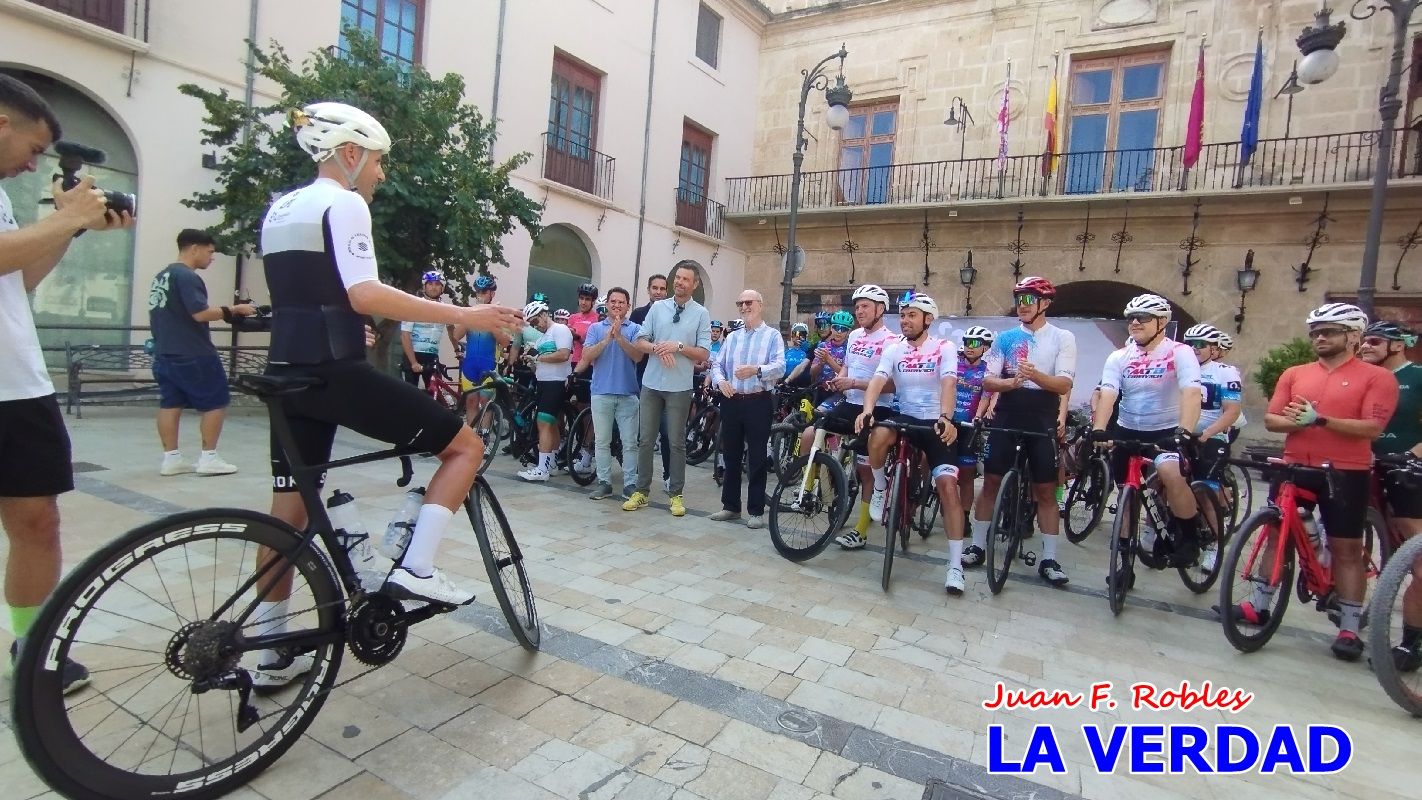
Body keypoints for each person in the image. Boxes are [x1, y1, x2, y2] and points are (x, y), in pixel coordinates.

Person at [252, 102, 524, 689]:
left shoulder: (280, 209)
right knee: (466, 448)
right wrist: (465, 314)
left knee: (287, 514)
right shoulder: (344, 202)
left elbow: (311, 296)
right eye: (378, 161)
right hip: (333, 374)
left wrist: (351, 324)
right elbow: (363, 291)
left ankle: (271, 647)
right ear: (351, 153)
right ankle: (418, 568)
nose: (380, 174)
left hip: (287, 370)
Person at [0, 73, 133, 691]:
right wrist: (68, 215)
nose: (34, 165)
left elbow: (17, 278)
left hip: (17, 385)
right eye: (33, 148)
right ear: (3, 123)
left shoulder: (1, 196)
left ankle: (31, 651)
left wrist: (69, 224)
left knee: (37, 521)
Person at [1249, 303, 1398, 661]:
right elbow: (1272, 419)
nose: (1319, 337)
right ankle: (1258, 605)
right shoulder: (1295, 373)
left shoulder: (1377, 378)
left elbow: (1372, 427)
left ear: (1352, 336)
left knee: (1346, 549)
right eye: (1315, 331)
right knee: (1274, 536)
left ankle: (1348, 626)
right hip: (1295, 464)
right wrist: (1302, 423)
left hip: (1345, 471)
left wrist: (1320, 420)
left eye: (1329, 331)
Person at [853, 295, 968, 594]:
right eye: (902, 315)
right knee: (876, 435)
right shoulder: (894, 349)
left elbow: (949, 383)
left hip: (934, 422)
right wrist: (867, 411)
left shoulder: (944, 348)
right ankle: (880, 487)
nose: (904, 320)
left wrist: (945, 417)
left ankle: (955, 566)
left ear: (928, 319)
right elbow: (878, 382)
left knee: (947, 488)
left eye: (911, 315)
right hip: (904, 416)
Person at [968, 276, 1077, 587]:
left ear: (1045, 304)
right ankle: (977, 544)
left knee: (1044, 490)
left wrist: (1035, 375)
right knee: (990, 482)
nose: (1022, 305)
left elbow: (1064, 384)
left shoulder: (1062, 337)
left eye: (1029, 300)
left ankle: (1049, 558)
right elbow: (988, 381)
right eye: (1019, 299)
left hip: (1042, 417)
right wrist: (1012, 382)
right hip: (1008, 413)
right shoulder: (1006, 338)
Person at [1092, 294, 1204, 590]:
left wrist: (1185, 431)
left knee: (1169, 473)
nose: (1136, 322)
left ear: (1162, 322)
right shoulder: (1119, 357)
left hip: (1166, 430)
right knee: (1126, 497)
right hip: (1129, 430)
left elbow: (1192, 392)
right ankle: (1124, 565)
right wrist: (1100, 428)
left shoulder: (1179, 352)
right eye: (1131, 317)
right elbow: (1108, 392)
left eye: (1143, 317)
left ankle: (1190, 536)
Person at [147, 228, 254, 477]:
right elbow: (200, 313)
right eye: (210, 251)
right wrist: (233, 310)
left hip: (164, 351)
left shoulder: (162, 275)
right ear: (194, 248)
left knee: (170, 403)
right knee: (216, 401)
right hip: (193, 352)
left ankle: (171, 459)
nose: (212, 257)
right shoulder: (187, 277)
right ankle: (209, 458)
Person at [810, 284, 895, 550]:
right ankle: (816, 490)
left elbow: (892, 385)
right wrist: (838, 380)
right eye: (857, 306)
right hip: (849, 402)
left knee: (865, 470)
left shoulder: (892, 341)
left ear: (880, 310)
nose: (859, 311)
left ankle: (861, 529)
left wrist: (854, 383)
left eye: (865, 306)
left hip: (877, 408)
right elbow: (846, 365)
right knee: (811, 432)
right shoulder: (855, 335)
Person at [623, 260, 711, 517]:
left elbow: (704, 353)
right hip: (651, 384)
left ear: (694, 285)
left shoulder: (701, 314)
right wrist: (659, 348)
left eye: (686, 279)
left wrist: (679, 347)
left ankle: (676, 494)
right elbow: (640, 341)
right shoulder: (658, 308)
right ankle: (641, 492)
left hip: (679, 388)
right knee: (645, 440)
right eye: (678, 278)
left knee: (676, 443)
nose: (680, 282)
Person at [1357, 319, 1422, 669]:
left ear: (1397, 346)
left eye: (1375, 341)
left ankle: (1412, 642)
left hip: (1407, 468)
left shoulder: (1417, 377)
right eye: (1363, 341)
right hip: (1363, 465)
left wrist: (1412, 455)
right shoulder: (1364, 377)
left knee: (1416, 550)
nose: (1365, 346)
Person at [708, 290, 785, 529]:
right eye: (739, 302)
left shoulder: (772, 336)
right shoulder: (732, 337)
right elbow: (717, 364)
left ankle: (756, 510)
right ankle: (730, 506)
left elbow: (780, 366)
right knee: (730, 454)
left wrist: (756, 370)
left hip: (758, 400)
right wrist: (720, 381)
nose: (743, 306)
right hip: (732, 400)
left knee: (757, 457)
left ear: (760, 305)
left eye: (748, 302)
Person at [574, 286, 643, 501]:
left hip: (628, 394)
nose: (616, 306)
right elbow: (586, 354)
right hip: (601, 393)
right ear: (607, 304)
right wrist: (606, 339)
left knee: (630, 442)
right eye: (613, 301)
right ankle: (604, 483)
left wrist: (620, 337)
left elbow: (638, 356)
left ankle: (630, 484)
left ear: (627, 306)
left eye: (621, 302)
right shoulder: (595, 328)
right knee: (602, 441)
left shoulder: (636, 329)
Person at [1184, 322, 1243, 569]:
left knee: (1204, 493)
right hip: (1183, 434)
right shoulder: (1181, 369)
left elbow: (1231, 411)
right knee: (1166, 485)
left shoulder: (1225, 372)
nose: (1195, 349)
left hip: (1212, 436)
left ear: (1214, 348)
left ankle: (1214, 546)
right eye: (1191, 344)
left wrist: (1208, 433)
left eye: (1201, 345)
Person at [517, 300, 573, 482]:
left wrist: (539, 356)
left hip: (556, 383)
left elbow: (564, 354)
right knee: (552, 424)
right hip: (543, 382)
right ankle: (551, 464)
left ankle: (542, 469)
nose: (535, 326)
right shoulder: (541, 338)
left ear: (543, 314)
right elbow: (540, 364)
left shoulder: (560, 330)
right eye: (531, 324)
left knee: (543, 423)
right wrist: (532, 361)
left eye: (535, 322)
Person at [631, 273, 672, 488]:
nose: (658, 292)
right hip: (644, 376)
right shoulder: (638, 314)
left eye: (662, 288)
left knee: (667, 430)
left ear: (667, 291)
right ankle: (641, 475)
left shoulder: (674, 312)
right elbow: (635, 344)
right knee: (644, 431)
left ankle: (668, 476)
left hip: (668, 377)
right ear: (648, 290)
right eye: (654, 288)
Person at [951, 326, 994, 526]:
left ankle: (965, 517)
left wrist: (978, 416)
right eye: (967, 342)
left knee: (966, 475)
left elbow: (986, 395)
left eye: (975, 343)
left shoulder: (988, 370)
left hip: (969, 425)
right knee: (927, 460)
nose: (970, 346)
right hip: (948, 422)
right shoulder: (954, 365)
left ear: (985, 347)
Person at [454, 273, 501, 424]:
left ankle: (485, 439)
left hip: (489, 363)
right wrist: (470, 317)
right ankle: (472, 436)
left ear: (492, 293)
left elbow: (505, 342)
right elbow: (456, 335)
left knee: (485, 402)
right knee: (471, 402)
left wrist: (492, 324)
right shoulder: (470, 312)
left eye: (484, 291)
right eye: (478, 291)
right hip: (470, 364)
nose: (480, 295)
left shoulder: (498, 314)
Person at [399, 270, 452, 388]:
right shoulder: (414, 306)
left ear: (442, 288)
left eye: (437, 284)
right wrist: (413, 362)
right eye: (430, 284)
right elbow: (405, 335)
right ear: (424, 286)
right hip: (413, 354)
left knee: (436, 394)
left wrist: (457, 350)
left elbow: (451, 329)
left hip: (431, 356)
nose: (433, 288)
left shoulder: (446, 309)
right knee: (410, 395)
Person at [568, 282, 599, 368]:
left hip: (590, 364)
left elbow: (597, 345)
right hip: (574, 361)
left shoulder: (598, 319)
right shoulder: (572, 317)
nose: (583, 302)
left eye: (587, 299)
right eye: (581, 298)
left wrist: (578, 338)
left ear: (593, 301)